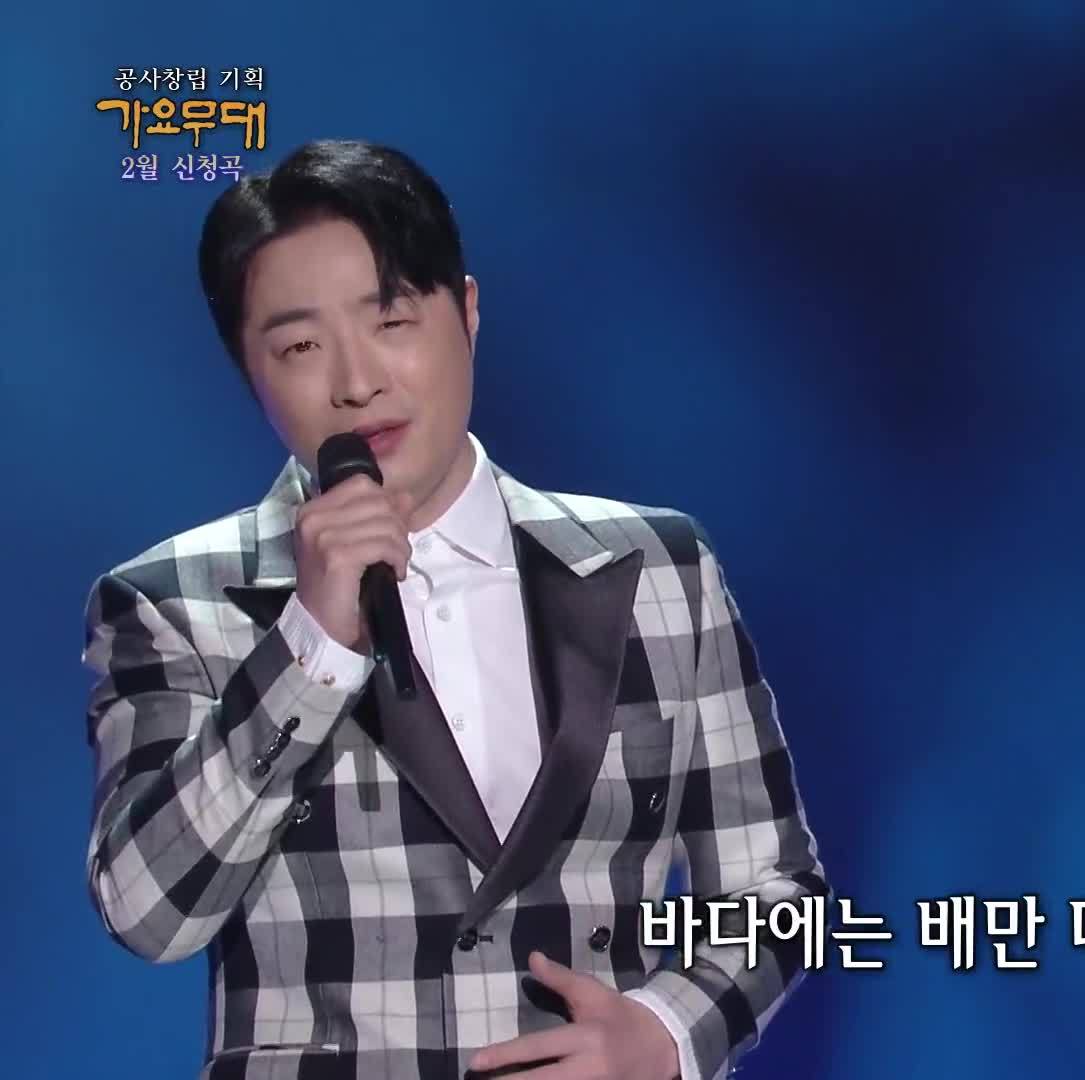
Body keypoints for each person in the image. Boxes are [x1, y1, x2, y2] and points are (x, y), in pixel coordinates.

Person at [79, 139, 829, 1080]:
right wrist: (310, 645)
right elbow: (147, 914)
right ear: (250, 372)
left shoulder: (656, 568)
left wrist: (667, 1034)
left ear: (467, 313)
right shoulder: (172, 602)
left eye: (392, 320)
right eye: (301, 346)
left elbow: (775, 886)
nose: (357, 381)